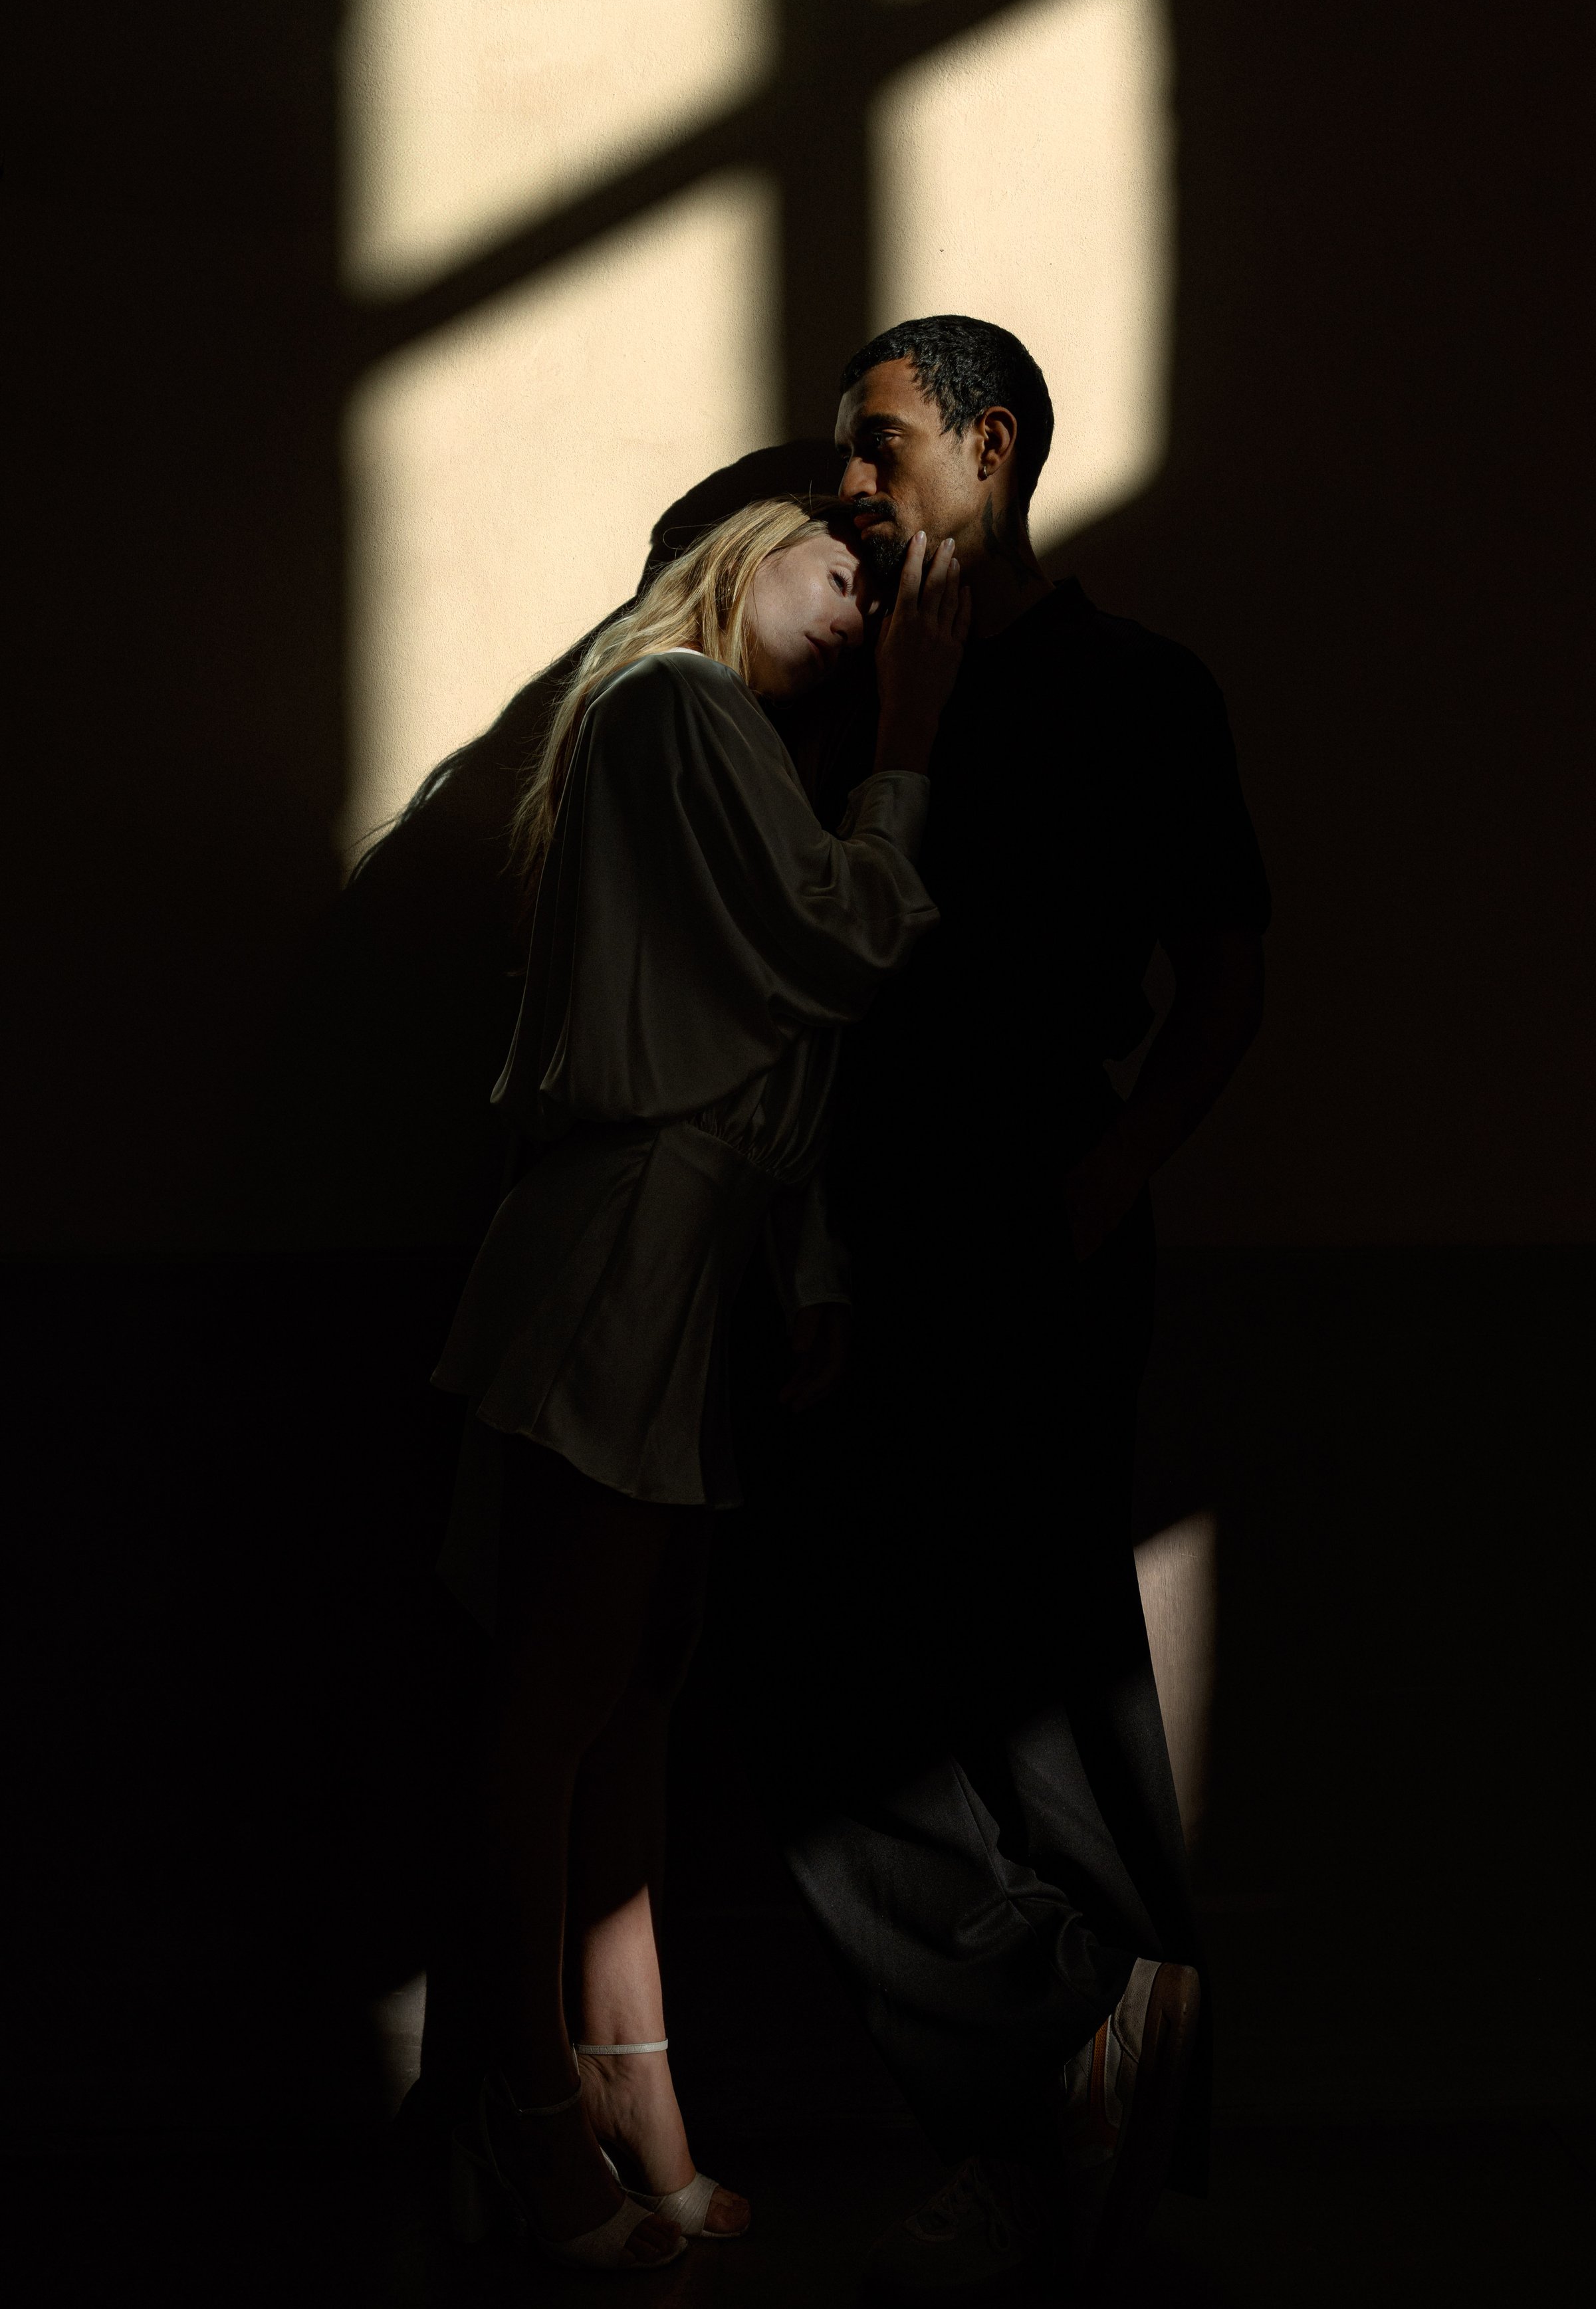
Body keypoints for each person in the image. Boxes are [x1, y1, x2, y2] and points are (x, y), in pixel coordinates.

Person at [717, 317, 1271, 2299]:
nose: (848, 482)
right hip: (858, 1224)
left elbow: (1223, 969)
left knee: (1041, 1672)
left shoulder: (1135, 689)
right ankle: (1065, 2038)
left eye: (878, 447)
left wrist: (1111, 1174)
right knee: (823, 1669)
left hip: (1036, 1212)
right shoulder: (857, 680)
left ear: (993, 446)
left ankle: (1066, 2144)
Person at [428, 495, 969, 2274]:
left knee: (631, 1693)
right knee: (561, 1696)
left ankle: (631, 2109)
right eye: (840, 568)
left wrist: (799, 1271)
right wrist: (903, 740)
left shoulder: (715, 743)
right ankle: (522, 2121)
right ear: (738, 555)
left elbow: (774, 1033)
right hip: (618, 1252)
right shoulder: (675, 708)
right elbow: (845, 936)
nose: (862, 608)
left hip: (677, 1259)